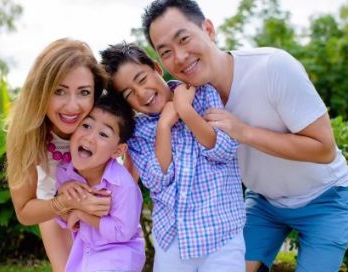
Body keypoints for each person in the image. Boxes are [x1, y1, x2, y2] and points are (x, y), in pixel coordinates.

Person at [141, 1, 348, 271]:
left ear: (208, 29)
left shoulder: (272, 67)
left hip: (325, 197)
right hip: (264, 201)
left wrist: (244, 132)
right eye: (166, 52)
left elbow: (324, 149)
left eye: (184, 39)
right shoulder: (185, 100)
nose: (180, 56)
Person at [101, 42, 246, 272]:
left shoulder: (203, 93)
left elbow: (224, 150)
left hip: (222, 235)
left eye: (142, 79)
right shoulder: (137, 132)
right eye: (128, 93)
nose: (141, 93)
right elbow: (157, 180)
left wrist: (185, 111)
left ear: (157, 69)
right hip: (172, 241)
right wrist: (164, 126)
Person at [6, 38, 112, 272]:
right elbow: (24, 211)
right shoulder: (26, 133)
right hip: (53, 211)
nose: (72, 106)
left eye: (83, 92)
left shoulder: (106, 119)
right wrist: (64, 202)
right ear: (41, 91)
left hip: (104, 212)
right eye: (59, 91)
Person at [54, 93, 145, 272]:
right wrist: (63, 194)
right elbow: (66, 219)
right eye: (86, 125)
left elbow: (123, 232)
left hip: (120, 254)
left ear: (118, 150)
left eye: (103, 134)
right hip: (85, 251)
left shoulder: (122, 185)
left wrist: (83, 215)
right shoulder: (64, 172)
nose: (89, 137)